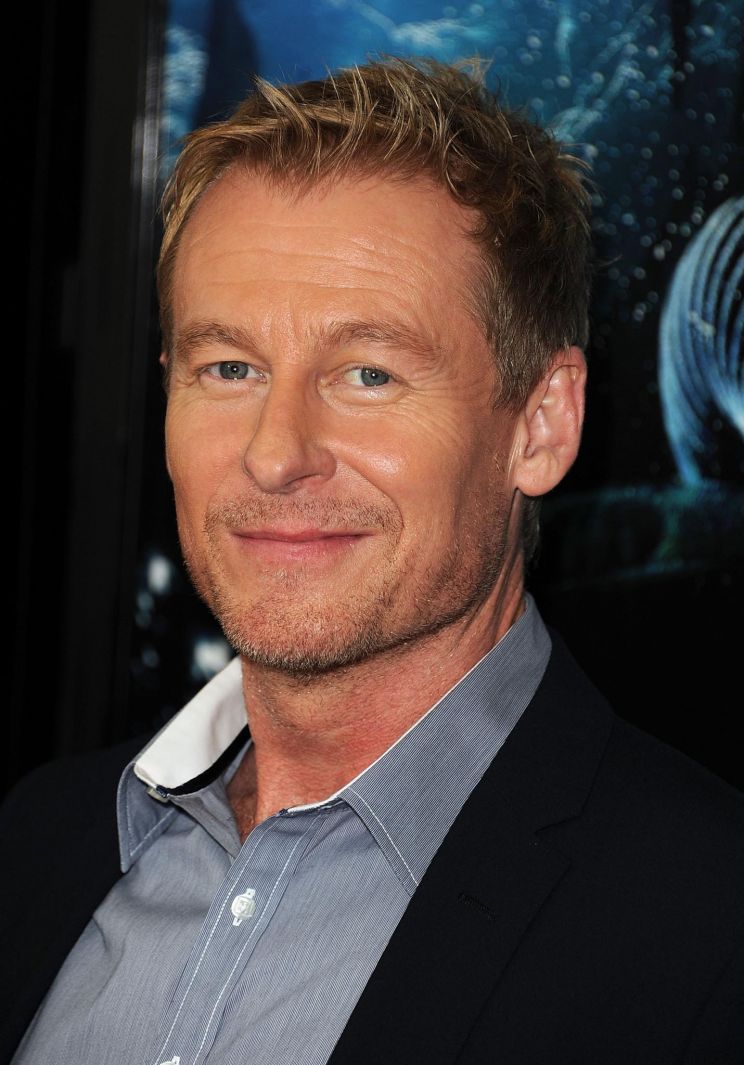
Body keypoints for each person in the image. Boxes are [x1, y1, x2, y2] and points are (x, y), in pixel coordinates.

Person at [2, 57, 742, 1065]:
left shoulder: (708, 930)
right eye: (229, 366)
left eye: (367, 372)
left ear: (541, 424)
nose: (275, 454)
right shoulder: (38, 842)